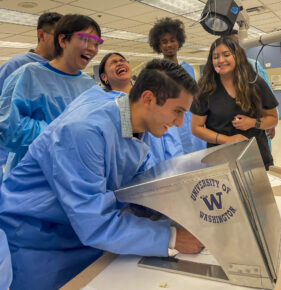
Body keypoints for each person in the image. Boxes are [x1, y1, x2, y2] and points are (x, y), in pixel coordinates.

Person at [0, 59, 203, 290]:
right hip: (38, 237)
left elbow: (130, 175)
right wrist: (171, 237)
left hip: (77, 231)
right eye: (177, 112)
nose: (179, 123)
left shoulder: (128, 116)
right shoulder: (84, 131)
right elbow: (94, 222)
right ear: (148, 99)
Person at [0, 14, 102, 179]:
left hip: (73, 175)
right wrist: (59, 134)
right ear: (63, 40)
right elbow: (8, 127)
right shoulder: (29, 74)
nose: (92, 48)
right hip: (32, 177)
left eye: (97, 43)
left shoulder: (89, 86)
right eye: (85, 39)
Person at [191, 36, 278, 170]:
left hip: (256, 158)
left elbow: (273, 119)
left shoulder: (255, 82)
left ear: (237, 56)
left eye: (226, 55)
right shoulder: (206, 88)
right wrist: (227, 140)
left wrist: (253, 122)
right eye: (215, 57)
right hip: (221, 161)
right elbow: (196, 127)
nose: (221, 60)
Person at [0, 12, 62, 179]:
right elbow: (5, 118)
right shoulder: (17, 66)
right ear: (41, 34)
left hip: (56, 157)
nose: (62, 42)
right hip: (19, 155)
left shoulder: (63, 72)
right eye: (58, 35)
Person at [98, 52, 184, 163]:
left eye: (123, 60)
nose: (120, 63)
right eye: (114, 62)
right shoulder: (110, 107)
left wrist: (176, 163)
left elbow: (171, 133)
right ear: (104, 77)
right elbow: (124, 147)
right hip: (138, 171)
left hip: (167, 165)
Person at [149, 17, 206, 154]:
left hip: (192, 123)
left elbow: (196, 98)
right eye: (164, 41)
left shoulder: (188, 70)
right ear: (158, 45)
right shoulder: (156, 73)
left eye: (172, 40)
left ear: (179, 42)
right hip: (170, 126)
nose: (169, 45)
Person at [230, 29, 277, 143]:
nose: (237, 47)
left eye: (239, 43)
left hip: (257, 127)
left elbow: (267, 99)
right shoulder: (219, 71)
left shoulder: (253, 65)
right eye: (232, 43)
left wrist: (269, 123)